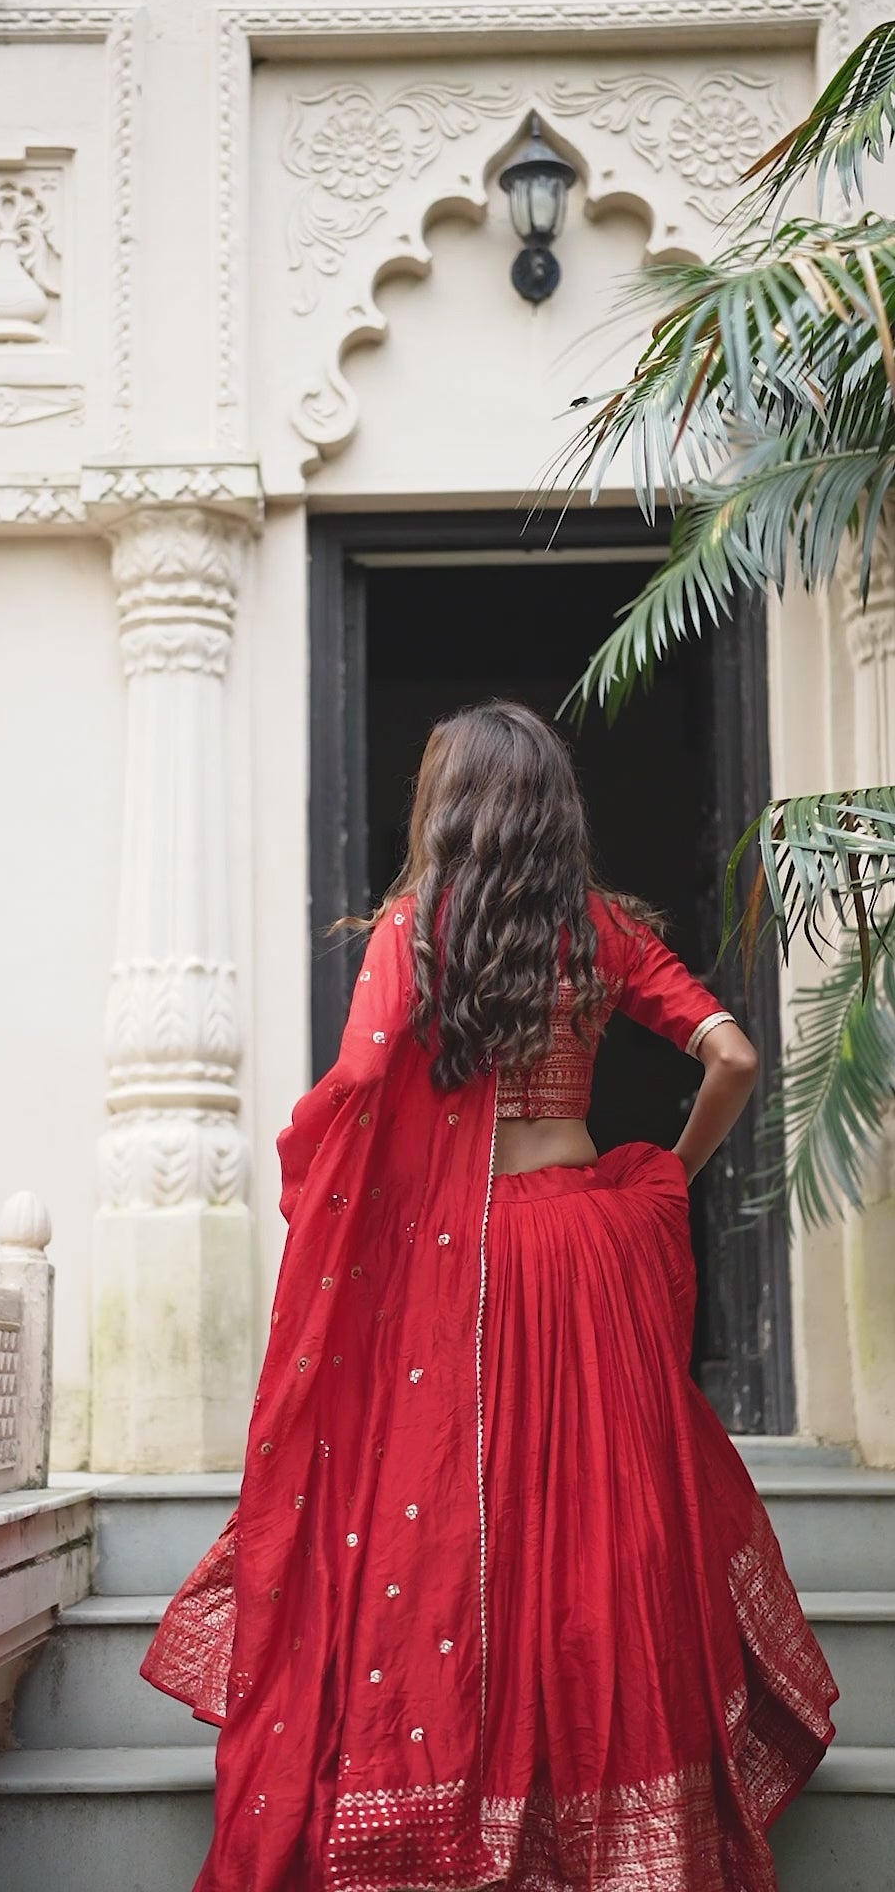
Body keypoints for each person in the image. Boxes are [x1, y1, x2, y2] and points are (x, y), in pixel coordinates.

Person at [141, 698, 837, 1892]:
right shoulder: (604, 932)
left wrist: (330, 1185)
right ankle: (624, 1833)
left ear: (443, 810)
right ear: (555, 810)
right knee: (601, 1530)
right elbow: (733, 1055)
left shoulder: (413, 932)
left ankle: (462, 1812)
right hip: (589, 1255)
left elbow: (361, 1079)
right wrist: (668, 1170)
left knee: (472, 1525)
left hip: (464, 1273)